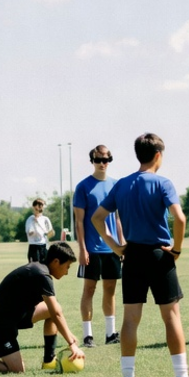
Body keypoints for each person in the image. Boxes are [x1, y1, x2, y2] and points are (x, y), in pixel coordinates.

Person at [91, 133, 189, 377]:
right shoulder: (163, 183)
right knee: (171, 317)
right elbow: (180, 219)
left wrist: (117, 247)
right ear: (157, 155)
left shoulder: (120, 185)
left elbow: (97, 218)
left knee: (130, 320)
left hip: (131, 257)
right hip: (159, 255)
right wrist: (176, 249)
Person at [0, 242, 84, 374]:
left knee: (53, 308)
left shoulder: (41, 270)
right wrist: (71, 343)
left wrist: (70, 336)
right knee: (16, 370)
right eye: (67, 267)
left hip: (16, 316)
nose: (66, 272)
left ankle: (48, 360)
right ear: (56, 262)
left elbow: (54, 310)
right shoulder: (42, 275)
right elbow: (56, 313)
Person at [73, 145, 124, 348]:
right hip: (92, 248)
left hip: (112, 248)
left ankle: (111, 333)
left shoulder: (116, 185)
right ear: (92, 161)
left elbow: (118, 218)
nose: (103, 163)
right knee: (89, 289)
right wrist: (82, 248)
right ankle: (88, 336)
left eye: (106, 159)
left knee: (110, 289)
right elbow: (79, 221)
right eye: (98, 160)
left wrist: (121, 245)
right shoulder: (83, 187)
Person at [25, 198, 55, 263]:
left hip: (43, 246)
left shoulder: (45, 219)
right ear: (34, 207)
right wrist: (35, 225)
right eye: (39, 205)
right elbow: (29, 233)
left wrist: (47, 234)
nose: (40, 207)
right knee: (35, 268)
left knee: (45, 266)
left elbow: (51, 233)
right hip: (34, 246)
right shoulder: (30, 219)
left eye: (42, 205)